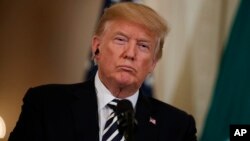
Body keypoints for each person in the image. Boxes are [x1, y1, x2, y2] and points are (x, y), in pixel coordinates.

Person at [9, 2, 197, 141]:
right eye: (121, 40)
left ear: (153, 63)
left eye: (143, 46)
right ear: (97, 48)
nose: (130, 54)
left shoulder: (178, 126)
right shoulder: (46, 105)